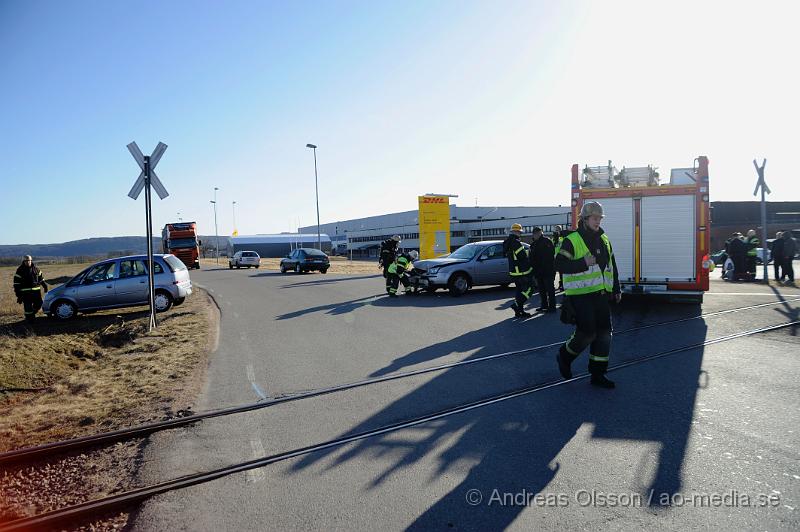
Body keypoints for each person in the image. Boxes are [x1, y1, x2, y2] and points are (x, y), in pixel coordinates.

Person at [555, 201, 621, 389]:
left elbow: (611, 266)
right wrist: (583, 263)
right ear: (585, 219)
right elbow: (558, 265)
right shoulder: (572, 239)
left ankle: (598, 374)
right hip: (580, 295)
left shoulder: (604, 239)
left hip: (600, 294)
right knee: (587, 333)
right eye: (594, 218)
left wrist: (616, 288)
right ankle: (564, 356)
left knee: (604, 335)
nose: (597, 221)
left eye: (599, 218)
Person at [503, 223, 533, 318]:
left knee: (519, 291)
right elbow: (522, 256)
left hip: (514, 272)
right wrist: (528, 253)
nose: (520, 234)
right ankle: (517, 305)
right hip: (521, 272)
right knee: (530, 289)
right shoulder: (515, 242)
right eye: (519, 232)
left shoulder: (508, 242)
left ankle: (519, 311)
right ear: (516, 232)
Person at [13, 255, 48, 323]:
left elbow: (41, 279)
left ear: (31, 261)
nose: (28, 262)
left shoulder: (36, 269)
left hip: (36, 292)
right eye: (26, 261)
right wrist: (19, 296)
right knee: (28, 308)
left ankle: (31, 315)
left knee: (39, 304)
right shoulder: (20, 270)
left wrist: (45, 286)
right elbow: (16, 284)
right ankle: (29, 321)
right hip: (25, 293)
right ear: (24, 261)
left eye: (29, 260)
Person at [531, 227, 556, 312]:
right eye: (534, 234)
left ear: (540, 233)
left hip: (548, 270)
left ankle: (552, 307)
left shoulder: (547, 241)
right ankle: (544, 305)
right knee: (541, 290)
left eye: (537, 233)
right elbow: (532, 258)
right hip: (539, 271)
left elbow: (550, 256)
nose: (536, 235)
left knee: (550, 290)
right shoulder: (533, 244)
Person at [553, 225, 565, 291]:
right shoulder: (553, 239)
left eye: (558, 230)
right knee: (553, 273)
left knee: (561, 273)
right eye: (555, 230)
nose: (556, 231)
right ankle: (552, 285)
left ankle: (562, 285)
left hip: (561, 258)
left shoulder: (562, 239)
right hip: (554, 259)